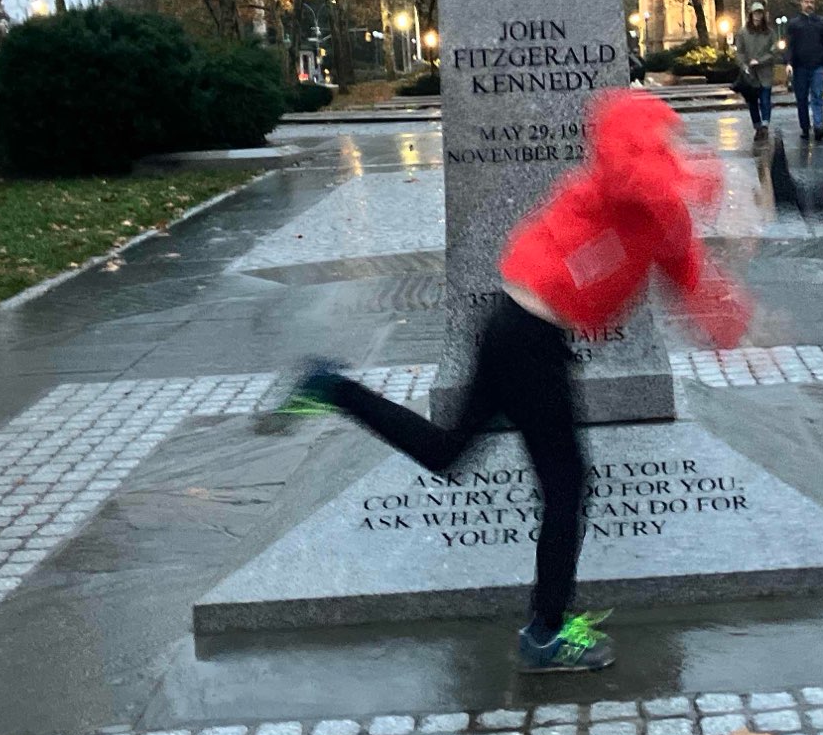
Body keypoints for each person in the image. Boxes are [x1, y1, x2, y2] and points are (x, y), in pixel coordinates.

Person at [282, 89, 752, 673]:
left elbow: (687, 270)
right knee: (565, 485)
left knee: (450, 452)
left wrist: (731, 319)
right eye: (666, 140)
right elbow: (630, 164)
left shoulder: (661, 213)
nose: (674, 150)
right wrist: (693, 176)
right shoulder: (606, 186)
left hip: (521, 333)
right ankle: (547, 633)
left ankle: (332, 388)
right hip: (525, 336)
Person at [784, 0, 823, 142]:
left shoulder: (822, 23)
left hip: (818, 65)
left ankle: (818, 126)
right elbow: (790, 46)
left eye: (812, 2)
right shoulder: (794, 24)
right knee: (802, 98)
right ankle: (805, 127)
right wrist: (788, 63)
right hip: (800, 67)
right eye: (806, 1)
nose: (809, 4)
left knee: (818, 95)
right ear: (801, 3)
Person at [734, 2, 779, 140]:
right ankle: (757, 126)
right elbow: (739, 52)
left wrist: (761, 60)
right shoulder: (743, 32)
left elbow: (774, 50)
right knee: (753, 102)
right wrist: (744, 65)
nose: (758, 16)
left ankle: (765, 125)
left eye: (760, 13)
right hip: (750, 74)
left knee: (765, 100)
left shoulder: (770, 33)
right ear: (751, 15)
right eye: (755, 13)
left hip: (765, 72)